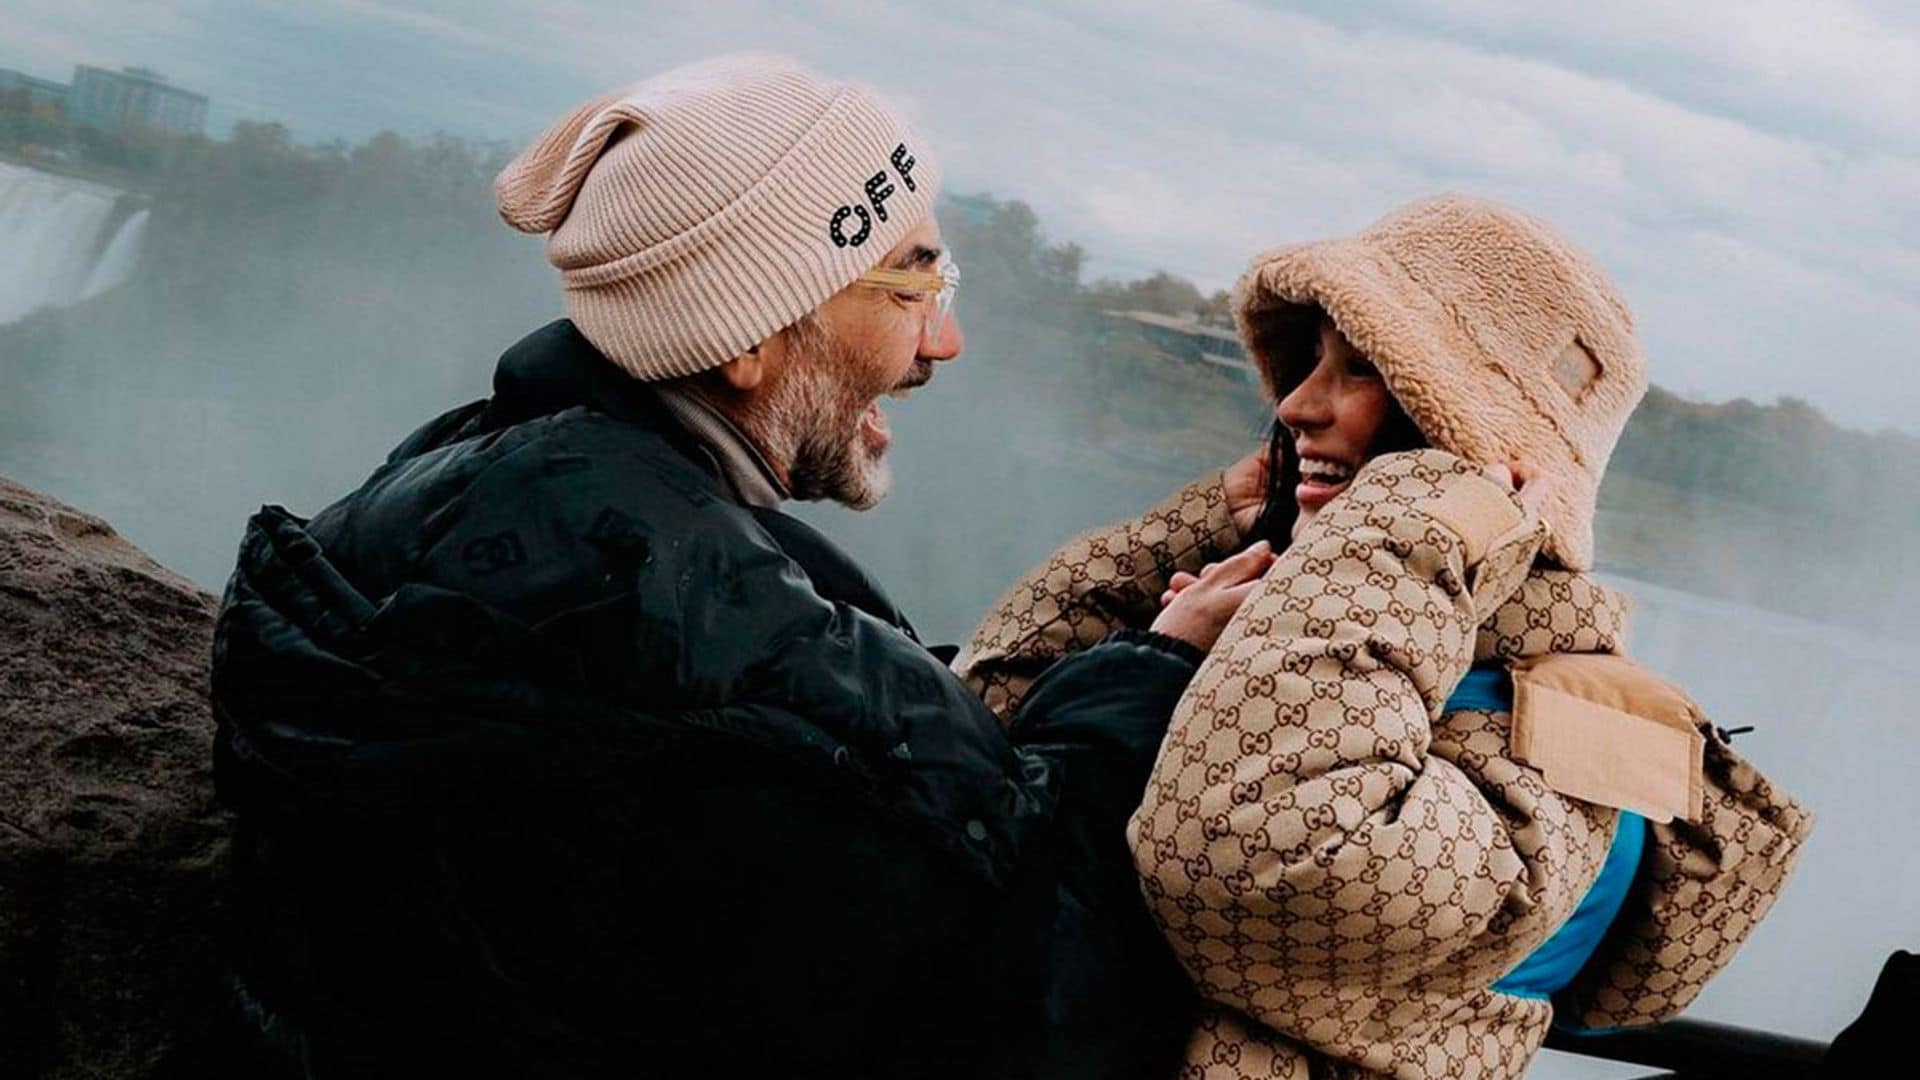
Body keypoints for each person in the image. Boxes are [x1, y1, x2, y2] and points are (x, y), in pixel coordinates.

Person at [208, 53, 1271, 1080]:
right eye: (910, 286)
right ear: (750, 339)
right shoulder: (704, 626)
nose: (942, 344)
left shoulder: (458, 472)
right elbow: (1039, 1010)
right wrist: (1154, 676)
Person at [960, 195, 1813, 1078]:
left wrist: (1419, 525)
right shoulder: (1311, 628)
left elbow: (1255, 866)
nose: (1295, 405)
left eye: (1363, 369)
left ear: (1473, 442)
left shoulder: (1577, 739)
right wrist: (1206, 535)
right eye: (1308, 361)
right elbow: (987, 733)